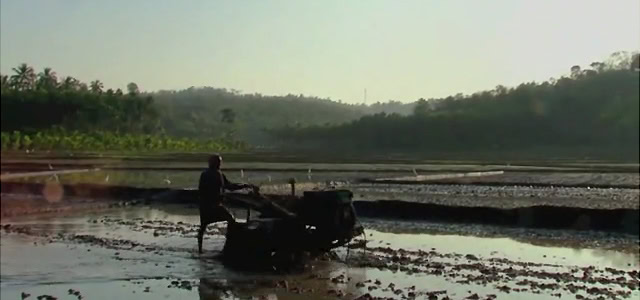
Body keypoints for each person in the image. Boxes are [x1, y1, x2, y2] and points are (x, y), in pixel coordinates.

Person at [197, 154, 252, 254]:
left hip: (214, 204)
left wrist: (244, 185)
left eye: (219, 162)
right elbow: (202, 191)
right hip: (210, 205)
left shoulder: (219, 174)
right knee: (227, 220)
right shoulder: (206, 175)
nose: (219, 164)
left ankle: (226, 245)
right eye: (217, 162)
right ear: (212, 163)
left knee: (204, 226)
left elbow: (229, 186)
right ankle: (202, 249)